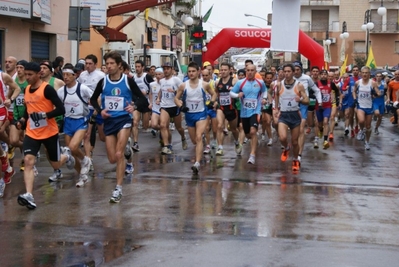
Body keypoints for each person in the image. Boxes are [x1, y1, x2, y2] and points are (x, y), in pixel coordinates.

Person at [16, 62, 75, 209]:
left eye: (30, 74)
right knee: (28, 161)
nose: (27, 77)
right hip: (32, 132)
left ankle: (66, 155)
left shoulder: (47, 90)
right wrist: (23, 120)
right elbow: (28, 109)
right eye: (26, 74)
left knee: (55, 164)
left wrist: (45, 115)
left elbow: (61, 109)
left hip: (49, 132)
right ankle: (29, 195)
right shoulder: (27, 89)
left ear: (38, 74)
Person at [90, 51, 146, 203]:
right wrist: (101, 110)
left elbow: (143, 100)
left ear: (119, 65)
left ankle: (118, 189)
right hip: (109, 121)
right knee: (112, 159)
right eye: (107, 64)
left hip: (124, 120)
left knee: (119, 153)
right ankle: (127, 151)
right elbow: (93, 99)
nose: (108, 66)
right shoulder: (103, 82)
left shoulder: (128, 81)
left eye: (111, 63)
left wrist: (133, 107)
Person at [175, 62, 217, 173]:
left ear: (198, 72)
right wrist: (181, 106)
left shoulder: (204, 84)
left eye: (193, 71)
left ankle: (197, 163)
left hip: (201, 114)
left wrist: (211, 102)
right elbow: (176, 98)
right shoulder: (183, 85)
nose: (191, 73)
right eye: (189, 71)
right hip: (189, 115)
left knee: (198, 137)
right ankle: (201, 142)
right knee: (194, 140)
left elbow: (214, 94)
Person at [57, 63, 93, 187]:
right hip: (68, 122)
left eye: (68, 75)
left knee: (72, 147)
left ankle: (85, 160)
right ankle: (82, 176)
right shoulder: (61, 91)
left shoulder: (82, 88)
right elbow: (55, 105)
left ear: (74, 75)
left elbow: (95, 98)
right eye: (64, 75)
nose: (65, 77)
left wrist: (95, 111)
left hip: (81, 121)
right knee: (71, 152)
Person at [230, 64, 267, 164]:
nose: (250, 72)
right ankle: (254, 140)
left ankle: (252, 155)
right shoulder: (241, 83)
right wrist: (238, 95)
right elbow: (231, 93)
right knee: (248, 134)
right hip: (244, 112)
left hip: (256, 111)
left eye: (252, 70)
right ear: (246, 71)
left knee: (253, 131)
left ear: (255, 72)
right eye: (248, 70)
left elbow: (265, 91)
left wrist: (264, 99)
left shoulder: (260, 82)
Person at [275, 64, 309, 172]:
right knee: (282, 138)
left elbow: (307, 100)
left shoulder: (299, 85)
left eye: (289, 71)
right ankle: (286, 148)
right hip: (284, 115)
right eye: (285, 71)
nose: (286, 73)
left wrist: (300, 100)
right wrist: (276, 108)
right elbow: (276, 95)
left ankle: (295, 160)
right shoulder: (279, 85)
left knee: (295, 142)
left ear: (293, 72)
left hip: (295, 115)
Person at [78, 54, 106, 172]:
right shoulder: (82, 75)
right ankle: (88, 158)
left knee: (103, 137)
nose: (87, 66)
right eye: (86, 63)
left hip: (99, 108)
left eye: (90, 64)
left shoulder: (101, 76)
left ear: (95, 64)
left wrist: (97, 107)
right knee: (87, 134)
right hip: (86, 109)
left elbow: (104, 93)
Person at [293, 61, 321, 162]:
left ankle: (299, 154)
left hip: (304, 104)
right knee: (293, 132)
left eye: (298, 70)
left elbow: (316, 90)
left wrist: (320, 102)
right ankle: (293, 148)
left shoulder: (307, 78)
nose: (296, 72)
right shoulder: (288, 79)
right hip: (291, 107)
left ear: (301, 70)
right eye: (294, 70)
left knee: (301, 129)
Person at [156, 62, 187, 155]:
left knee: (179, 128)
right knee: (163, 125)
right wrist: (158, 98)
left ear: (171, 69)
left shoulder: (176, 80)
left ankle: (183, 137)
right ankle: (167, 146)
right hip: (164, 106)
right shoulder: (161, 81)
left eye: (167, 68)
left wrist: (174, 91)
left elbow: (184, 90)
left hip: (175, 106)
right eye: (164, 69)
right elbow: (161, 91)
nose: (166, 70)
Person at [352, 66, 381, 150]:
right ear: (361, 74)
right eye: (363, 73)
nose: (364, 74)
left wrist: (376, 94)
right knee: (361, 120)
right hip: (360, 105)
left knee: (368, 126)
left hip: (369, 106)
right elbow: (354, 91)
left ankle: (367, 142)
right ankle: (361, 130)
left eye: (366, 73)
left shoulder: (373, 83)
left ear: (369, 74)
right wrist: (354, 98)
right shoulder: (358, 82)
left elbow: (378, 92)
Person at [10, 60, 28, 171]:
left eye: (21, 67)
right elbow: (10, 94)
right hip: (16, 114)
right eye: (18, 67)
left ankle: (25, 160)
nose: (19, 69)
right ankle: (25, 148)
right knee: (14, 141)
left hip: (28, 115)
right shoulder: (14, 81)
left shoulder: (29, 82)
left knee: (24, 137)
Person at [132, 60, 154, 152]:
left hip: (146, 102)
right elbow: (131, 89)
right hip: (137, 102)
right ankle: (135, 143)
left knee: (145, 126)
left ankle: (156, 126)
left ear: (142, 67)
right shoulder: (133, 78)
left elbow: (154, 87)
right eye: (136, 67)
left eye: (138, 67)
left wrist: (147, 92)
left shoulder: (147, 77)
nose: (137, 68)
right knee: (135, 122)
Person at [314, 70, 339, 149]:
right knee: (319, 124)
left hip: (327, 106)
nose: (324, 76)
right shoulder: (316, 84)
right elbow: (311, 92)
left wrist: (336, 99)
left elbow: (337, 91)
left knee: (326, 121)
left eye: (325, 74)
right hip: (318, 106)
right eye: (322, 74)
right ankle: (321, 130)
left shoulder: (331, 84)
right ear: (320, 75)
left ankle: (325, 140)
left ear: (327, 76)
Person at [201, 68, 218, 153]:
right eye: (203, 75)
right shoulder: (200, 84)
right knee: (206, 128)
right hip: (205, 107)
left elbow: (217, 94)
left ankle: (214, 141)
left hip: (213, 107)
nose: (204, 77)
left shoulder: (213, 83)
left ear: (210, 75)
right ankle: (207, 146)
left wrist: (216, 102)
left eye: (206, 75)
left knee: (215, 129)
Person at [260, 71, 274, 145]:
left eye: (270, 78)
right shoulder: (262, 86)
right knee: (266, 121)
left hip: (275, 105)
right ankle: (270, 138)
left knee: (275, 123)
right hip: (265, 105)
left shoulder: (276, 85)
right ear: (265, 78)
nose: (269, 79)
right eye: (267, 78)